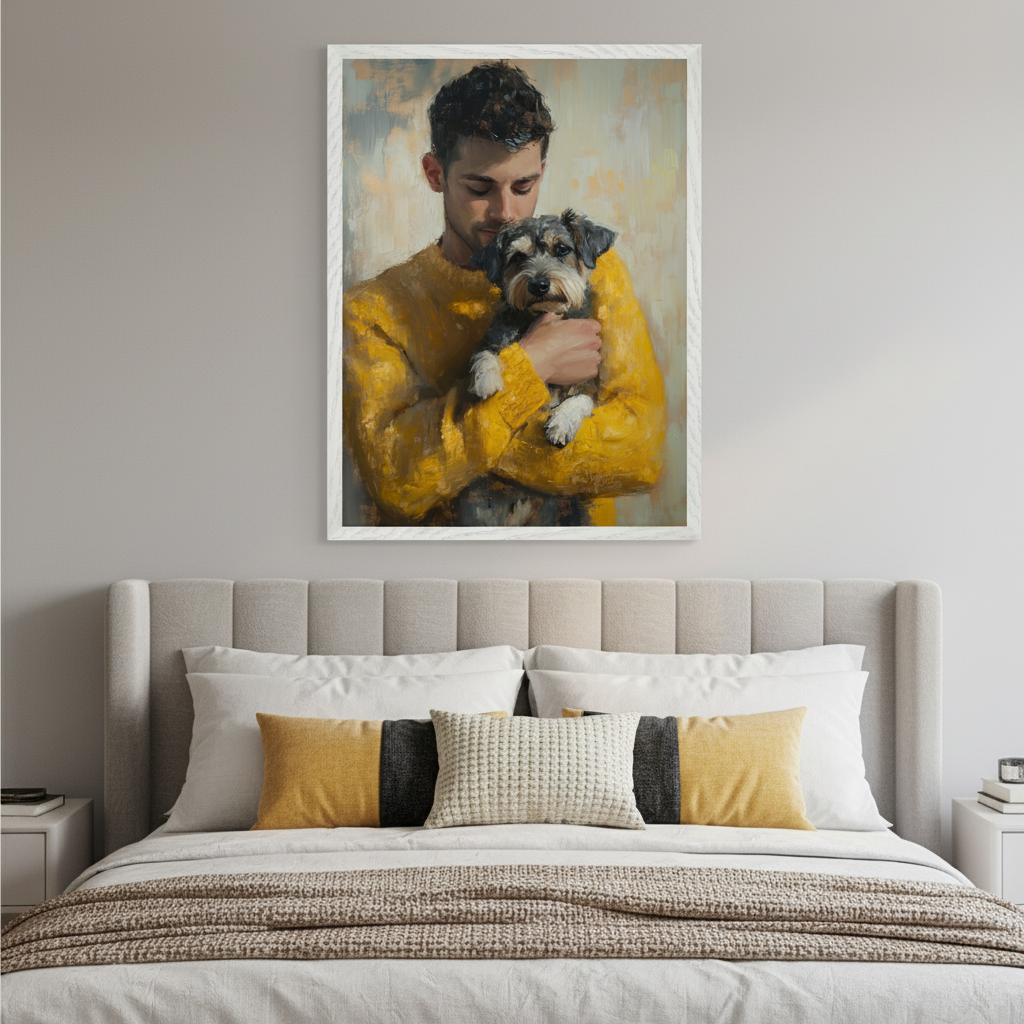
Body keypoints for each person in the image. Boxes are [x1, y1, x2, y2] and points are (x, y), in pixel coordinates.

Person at [343, 62, 666, 527]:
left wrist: (456, 446)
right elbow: (398, 479)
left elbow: (642, 452)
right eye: (479, 188)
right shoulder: (371, 310)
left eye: (524, 185)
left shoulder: (596, 269)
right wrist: (532, 365)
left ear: (542, 171)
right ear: (434, 174)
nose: (507, 212)